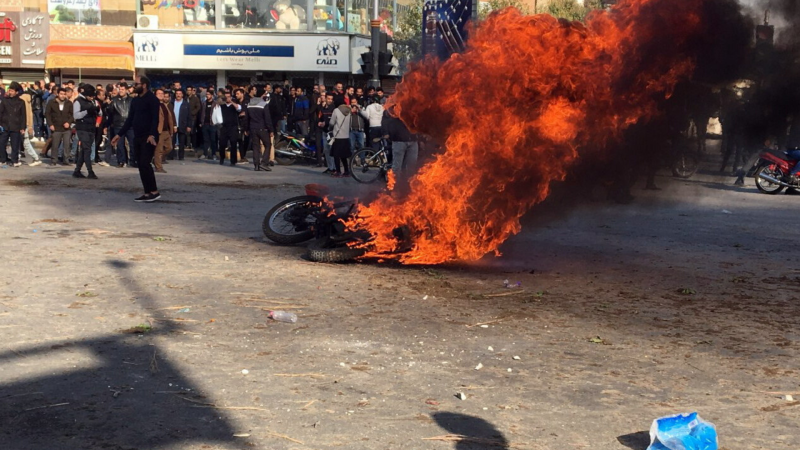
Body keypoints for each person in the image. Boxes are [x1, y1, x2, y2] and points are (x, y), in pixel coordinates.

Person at [113, 76, 161, 202]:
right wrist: (119, 135)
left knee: (145, 163)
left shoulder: (152, 99)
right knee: (140, 164)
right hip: (137, 136)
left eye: (137, 84)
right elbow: (130, 120)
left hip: (149, 137)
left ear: (144, 85)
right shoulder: (135, 100)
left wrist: (152, 134)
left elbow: (155, 119)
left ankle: (154, 191)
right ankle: (147, 192)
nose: (134, 86)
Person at [382, 105, 418, 178]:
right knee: (397, 167)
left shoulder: (414, 108)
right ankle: (395, 185)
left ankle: (408, 185)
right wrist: (386, 133)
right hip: (399, 141)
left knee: (412, 166)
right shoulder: (393, 108)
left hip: (413, 141)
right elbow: (385, 120)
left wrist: (420, 138)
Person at [72, 85, 99, 179]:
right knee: (87, 149)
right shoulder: (78, 101)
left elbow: (99, 113)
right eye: (91, 96)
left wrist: (97, 110)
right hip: (82, 128)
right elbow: (76, 116)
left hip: (91, 128)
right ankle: (90, 171)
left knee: (84, 150)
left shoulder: (92, 101)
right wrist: (87, 112)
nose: (92, 97)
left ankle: (77, 170)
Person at [245, 87, 275, 171]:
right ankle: (264, 163)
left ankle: (256, 165)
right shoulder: (263, 104)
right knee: (268, 145)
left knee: (255, 147)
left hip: (252, 128)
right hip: (262, 128)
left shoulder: (249, 104)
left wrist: (246, 129)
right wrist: (271, 130)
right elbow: (267, 118)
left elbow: (246, 118)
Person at [0, 82, 28, 167]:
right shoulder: (5, 101)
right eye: (9, 90)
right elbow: (0, 113)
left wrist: (23, 127)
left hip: (16, 126)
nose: (10, 92)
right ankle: (3, 159)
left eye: (12, 91)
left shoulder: (21, 102)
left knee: (15, 145)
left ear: (16, 92)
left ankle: (14, 160)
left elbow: (23, 115)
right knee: (1, 143)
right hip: (5, 126)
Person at [45, 87, 74, 166]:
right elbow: (47, 114)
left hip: (66, 128)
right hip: (56, 126)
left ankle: (66, 160)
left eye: (64, 94)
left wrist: (69, 122)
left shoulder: (69, 103)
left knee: (67, 144)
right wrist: (50, 124)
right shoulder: (51, 102)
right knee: (55, 144)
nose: (63, 96)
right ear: (57, 94)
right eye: (61, 94)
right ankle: (54, 160)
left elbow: (72, 115)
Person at [109, 83, 134, 167]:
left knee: (132, 143)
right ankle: (121, 161)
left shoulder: (132, 100)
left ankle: (133, 160)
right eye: (120, 89)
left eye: (123, 89)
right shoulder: (114, 100)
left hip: (130, 125)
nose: (121, 91)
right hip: (118, 125)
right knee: (119, 144)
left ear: (127, 90)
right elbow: (110, 113)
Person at [18, 89, 43, 166]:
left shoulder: (22, 100)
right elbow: (30, 114)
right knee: (23, 142)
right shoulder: (28, 101)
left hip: (21, 124)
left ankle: (36, 158)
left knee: (25, 142)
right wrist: (30, 126)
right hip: (26, 124)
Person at [328, 100, 353, 177]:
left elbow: (332, 122)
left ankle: (338, 171)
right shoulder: (349, 111)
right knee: (344, 155)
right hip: (346, 136)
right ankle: (346, 171)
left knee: (336, 155)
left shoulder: (336, 110)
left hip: (338, 136)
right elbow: (350, 123)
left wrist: (330, 128)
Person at [154, 88, 176, 173]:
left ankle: (156, 159)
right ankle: (158, 167)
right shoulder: (154, 105)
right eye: (158, 93)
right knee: (158, 150)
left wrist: (173, 127)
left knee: (169, 148)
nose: (161, 95)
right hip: (159, 131)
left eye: (162, 94)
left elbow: (170, 117)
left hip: (167, 130)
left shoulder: (165, 105)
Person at [219, 91, 241, 166]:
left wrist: (232, 102)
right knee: (222, 143)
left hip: (233, 127)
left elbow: (239, 108)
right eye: (226, 97)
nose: (227, 98)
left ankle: (233, 161)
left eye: (228, 97)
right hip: (224, 127)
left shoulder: (234, 105)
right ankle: (222, 158)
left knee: (233, 143)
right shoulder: (222, 106)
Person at [317, 93, 336, 173]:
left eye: (331, 99)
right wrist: (319, 123)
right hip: (324, 132)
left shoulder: (334, 109)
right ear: (325, 98)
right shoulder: (323, 108)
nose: (330, 100)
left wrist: (326, 123)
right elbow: (319, 118)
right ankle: (330, 167)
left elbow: (334, 120)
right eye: (328, 99)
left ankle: (334, 168)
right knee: (326, 150)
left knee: (332, 150)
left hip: (332, 133)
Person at [169, 89, 191, 160]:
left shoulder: (186, 104)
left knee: (182, 142)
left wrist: (189, 125)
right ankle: (171, 156)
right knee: (172, 141)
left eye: (180, 93)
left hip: (182, 125)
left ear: (182, 95)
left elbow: (189, 116)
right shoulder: (171, 103)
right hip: (173, 125)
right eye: (177, 93)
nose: (178, 95)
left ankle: (181, 156)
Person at [199, 89, 219, 160]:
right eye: (206, 94)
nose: (207, 96)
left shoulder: (215, 103)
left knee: (213, 140)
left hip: (212, 124)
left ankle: (213, 154)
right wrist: (201, 122)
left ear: (212, 96)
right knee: (205, 140)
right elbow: (201, 113)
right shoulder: (204, 103)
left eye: (209, 94)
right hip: (205, 124)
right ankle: (205, 154)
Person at [187, 86, 202, 150]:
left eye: (190, 90)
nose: (188, 91)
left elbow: (198, 107)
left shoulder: (195, 98)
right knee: (186, 132)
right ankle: (188, 144)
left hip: (193, 117)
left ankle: (194, 145)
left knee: (192, 131)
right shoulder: (185, 98)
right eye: (187, 90)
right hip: (186, 117)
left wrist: (193, 113)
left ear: (192, 90)